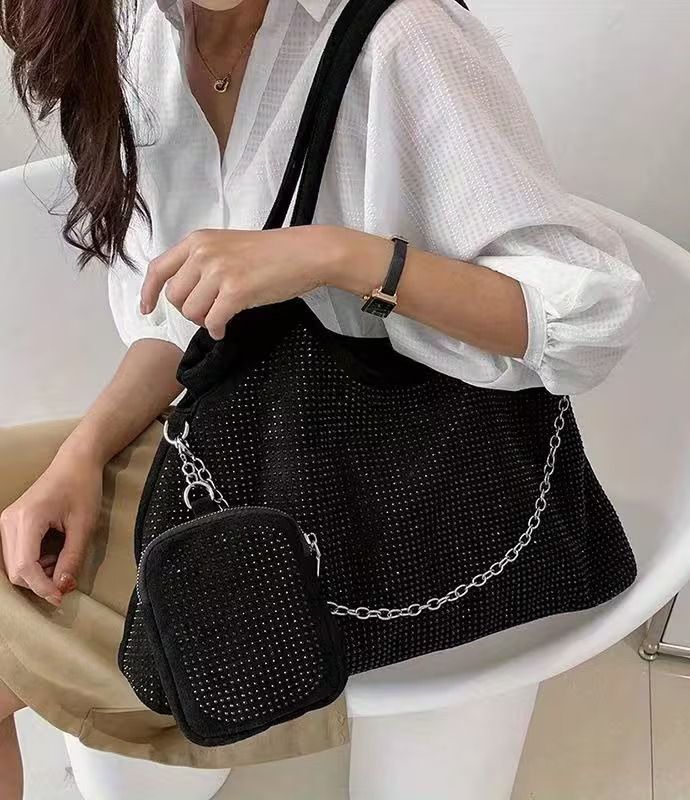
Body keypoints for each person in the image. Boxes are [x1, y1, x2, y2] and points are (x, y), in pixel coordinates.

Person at [0, 0, 650, 796]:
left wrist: (337, 256)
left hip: (414, 496)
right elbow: (184, 324)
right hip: (253, 443)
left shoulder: (401, 39)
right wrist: (79, 457)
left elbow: (589, 319)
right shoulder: (151, 38)